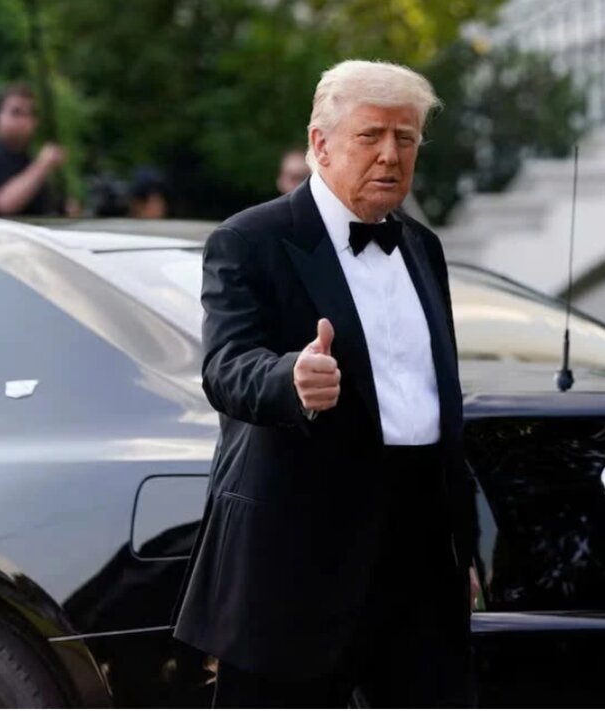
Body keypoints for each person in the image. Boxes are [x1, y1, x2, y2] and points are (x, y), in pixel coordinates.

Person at [172, 59, 479, 708]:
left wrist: (463, 547)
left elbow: (435, 400)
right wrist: (290, 377)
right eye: (371, 135)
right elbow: (225, 366)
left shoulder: (422, 247)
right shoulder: (250, 239)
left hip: (420, 554)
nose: (391, 155)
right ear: (321, 142)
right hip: (296, 553)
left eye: (406, 138)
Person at [0, 83, 65, 217]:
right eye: (16, 112)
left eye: (31, 113)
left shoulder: (26, 160)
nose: (25, 120)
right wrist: (42, 164)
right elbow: (4, 204)